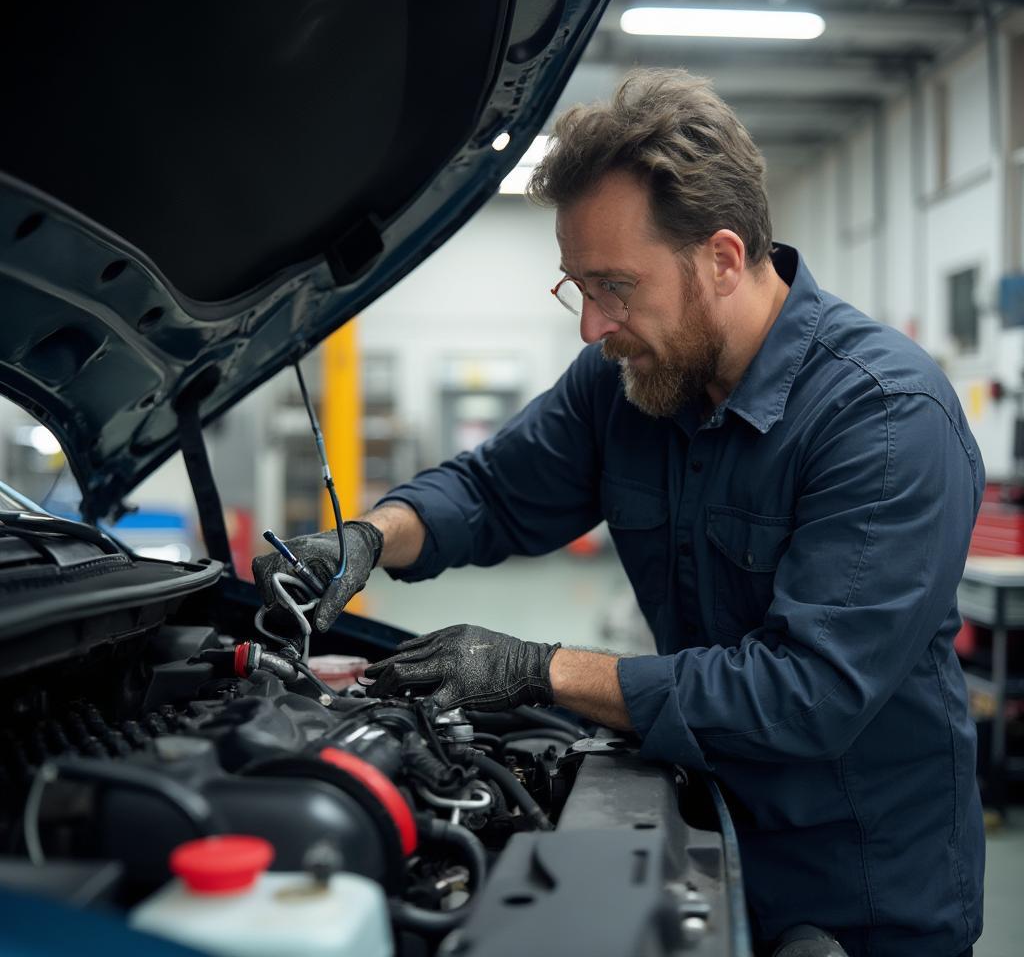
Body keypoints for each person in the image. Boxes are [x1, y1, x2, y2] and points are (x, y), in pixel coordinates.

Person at [253, 70, 984, 957]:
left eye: (615, 286)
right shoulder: (627, 382)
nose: (593, 327)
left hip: (857, 890)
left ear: (721, 257)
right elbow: (491, 489)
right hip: (702, 828)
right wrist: (368, 538)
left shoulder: (883, 418)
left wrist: (536, 667)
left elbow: (808, 691)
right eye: (577, 287)